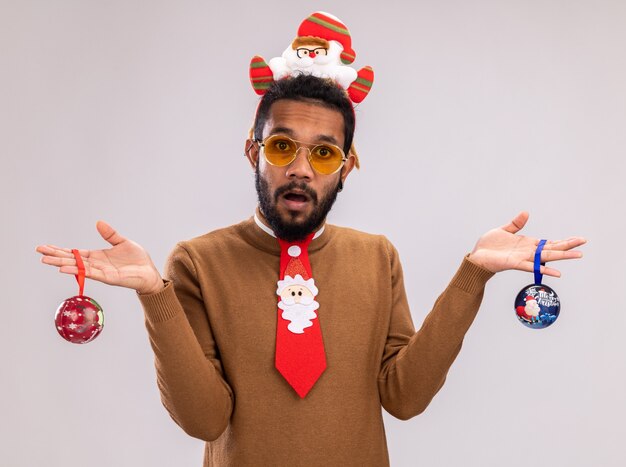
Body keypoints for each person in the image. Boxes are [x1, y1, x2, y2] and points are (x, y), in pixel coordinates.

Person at [36, 71, 585, 467]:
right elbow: (204, 420)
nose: (300, 169)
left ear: (347, 166)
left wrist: (474, 274)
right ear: (253, 153)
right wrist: (155, 293)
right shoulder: (198, 261)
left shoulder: (377, 256)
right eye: (282, 147)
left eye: (323, 154)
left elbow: (405, 397)